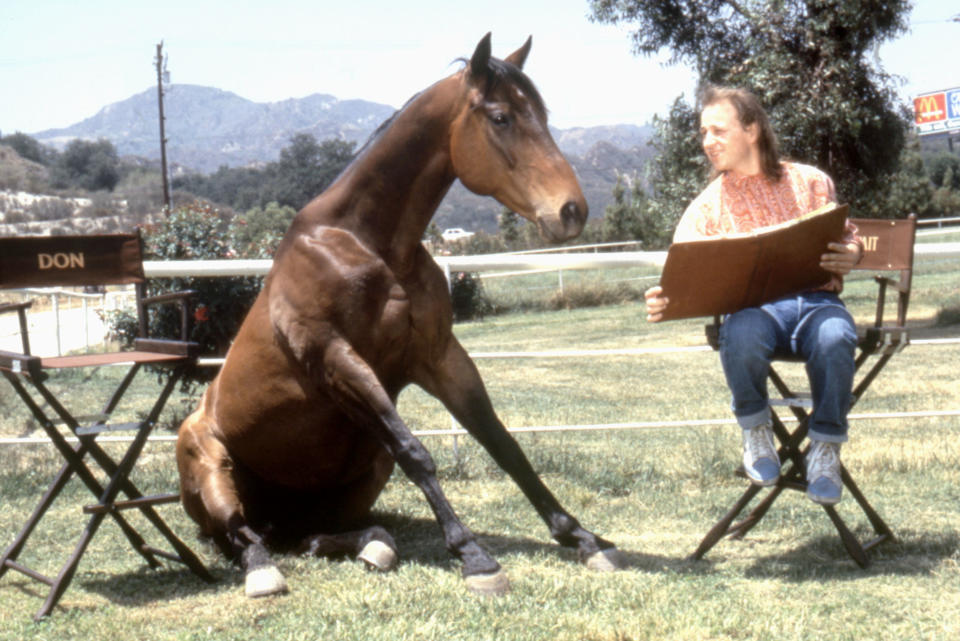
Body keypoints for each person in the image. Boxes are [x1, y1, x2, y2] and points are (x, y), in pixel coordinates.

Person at [645, 86, 863, 505]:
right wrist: (664, 299)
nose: (708, 142)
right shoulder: (706, 208)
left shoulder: (812, 183)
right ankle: (756, 430)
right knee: (741, 334)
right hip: (755, 312)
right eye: (703, 133)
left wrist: (850, 254)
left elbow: (849, 239)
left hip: (818, 304)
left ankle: (825, 448)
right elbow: (683, 275)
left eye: (718, 131)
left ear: (753, 129)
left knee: (837, 337)